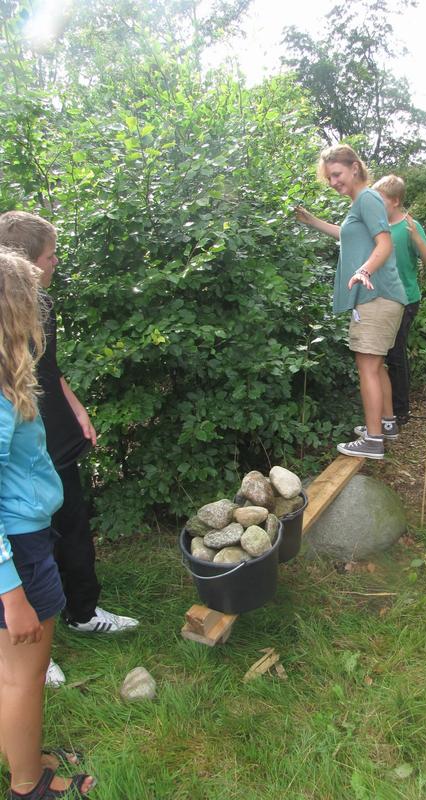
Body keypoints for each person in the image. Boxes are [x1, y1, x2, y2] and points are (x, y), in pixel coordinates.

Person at [0, 212, 138, 688]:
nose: (57, 261)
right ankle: (32, 645)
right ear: (24, 263)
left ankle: (82, 611)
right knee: (27, 543)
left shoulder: (45, 304)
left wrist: (77, 409)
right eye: (50, 255)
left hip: (54, 434)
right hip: (18, 445)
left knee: (73, 525)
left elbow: (49, 369)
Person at [0, 248, 96, 798]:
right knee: (23, 676)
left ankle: (22, 753)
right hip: (17, 549)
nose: (40, 314)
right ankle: (29, 783)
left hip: (20, 544)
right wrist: (12, 591)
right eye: (32, 303)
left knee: (11, 673)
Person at [295, 145, 407, 459]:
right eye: (329, 177)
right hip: (382, 296)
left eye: (337, 174)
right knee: (376, 364)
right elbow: (348, 236)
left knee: (367, 366)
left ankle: (373, 440)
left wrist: (363, 269)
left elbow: (384, 244)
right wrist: (311, 220)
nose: (332, 181)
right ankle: (385, 425)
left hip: (375, 294)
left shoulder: (368, 198)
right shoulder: (361, 203)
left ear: (354, 168)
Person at [370, 175, 426, 425]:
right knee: (381, 355)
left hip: (406, 299)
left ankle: (400, 412)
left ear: (395, 201)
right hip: (381, 299)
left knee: (394, 354)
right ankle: (388, 409)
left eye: (381, 200)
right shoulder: (377, 225)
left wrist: (417, 239)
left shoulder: (410, 226)